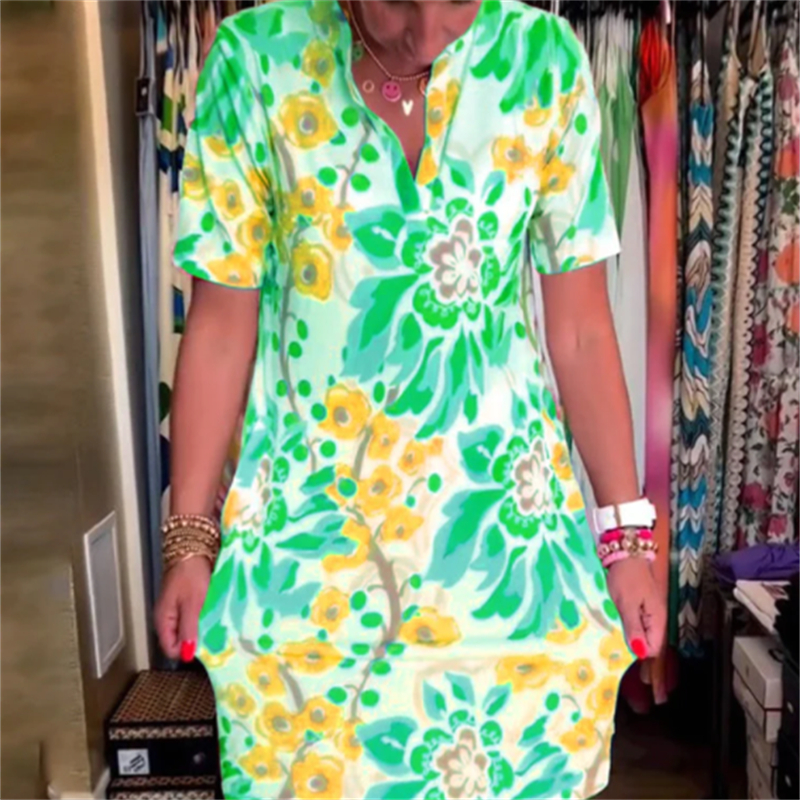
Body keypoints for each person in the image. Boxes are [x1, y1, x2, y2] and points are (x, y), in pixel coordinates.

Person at [155, 1, 667, 798]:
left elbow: (581, 332)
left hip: (508, 562)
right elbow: (221, 327)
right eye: (399, 2)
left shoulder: (543, 60)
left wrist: (626, 537)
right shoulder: (253, 62)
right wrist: (189, 538)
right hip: (308, 564)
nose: (427, 30)